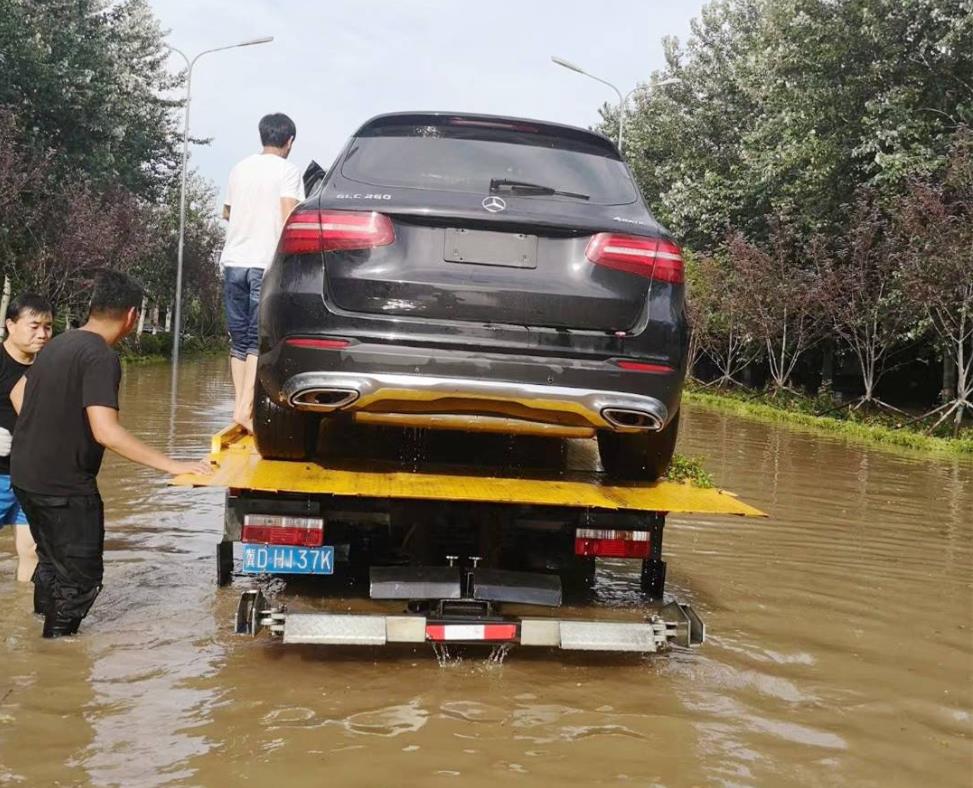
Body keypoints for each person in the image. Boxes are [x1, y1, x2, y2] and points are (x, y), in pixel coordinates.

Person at [10, 270, 211, 638]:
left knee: (53, 564)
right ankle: (55, 655)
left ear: (92, 307)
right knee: (81, 580)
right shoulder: (100, 356)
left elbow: (18, 394)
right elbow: (106, 431)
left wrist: (47, 432)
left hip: (25, 476)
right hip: (64, 487)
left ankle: (37, 630)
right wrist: (173, 464)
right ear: (132, 316)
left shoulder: (57, 343)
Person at [220, 112, 305, 431]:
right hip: (263, 263)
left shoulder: (239, 168)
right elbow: (287, 216)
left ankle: (238, 407)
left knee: (238, 339)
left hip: (233, 262)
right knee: (258, 340)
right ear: (289, 141)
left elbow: (226, 212)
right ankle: (245, 409)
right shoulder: (288, 171)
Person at [0, 293, 53, 582]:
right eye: (34, 326)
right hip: (0, 476)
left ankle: (23, 617)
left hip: (32, 477)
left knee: (32, 550)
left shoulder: (48, 367)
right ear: (11, 324)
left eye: (48, 327)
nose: (42, 334)